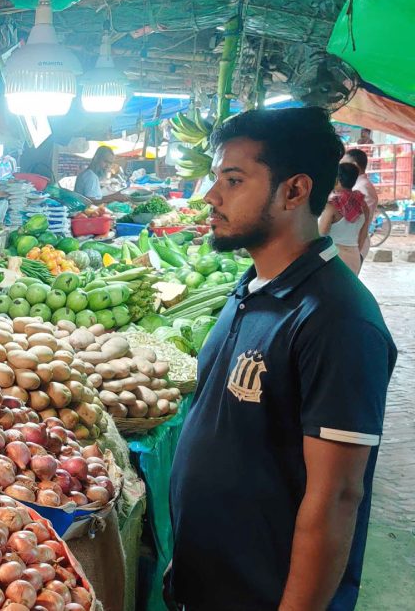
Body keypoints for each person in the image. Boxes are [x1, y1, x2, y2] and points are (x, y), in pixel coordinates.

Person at [169, 107, 395, 611]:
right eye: (215, 178)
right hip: (208, 580)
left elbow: (337, 498)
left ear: (294, 191)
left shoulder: (339, 321)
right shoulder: (251, 289)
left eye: (233, 180)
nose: (211, 197)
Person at [319, 163, 370, 274]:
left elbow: (321, 235)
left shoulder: (332, 206)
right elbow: (363, 235)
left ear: (337, 179)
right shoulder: (363, 205)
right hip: (354, 256)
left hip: (332, 256)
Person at [342, 148, 379, 257]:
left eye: (344, 165)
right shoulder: (357, 186)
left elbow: (354, 220)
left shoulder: (363, 189)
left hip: (354, 246)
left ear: (354, 166)